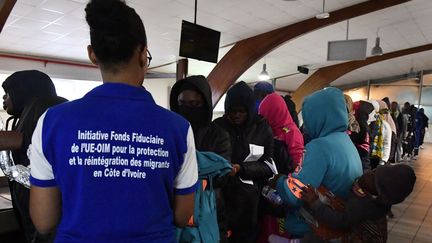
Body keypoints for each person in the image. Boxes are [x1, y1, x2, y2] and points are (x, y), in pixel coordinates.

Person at [28, 0, 198, 242]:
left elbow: (44, 222)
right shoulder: (179, 129)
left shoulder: (51, 122)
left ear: (92, 54)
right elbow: (183, 216)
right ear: (142, 53)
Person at [274, 87, 363, 238]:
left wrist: (279, 181)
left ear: (318, 117)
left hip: (314, 229)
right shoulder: (345, 140)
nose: (307, 126)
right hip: (339, 222)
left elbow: (294, 195)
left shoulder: (319, 146)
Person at [1, 70, 67, 243]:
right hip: (34, 206)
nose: (3, 99)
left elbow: (48, 143)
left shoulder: (47, 105)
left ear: (22, 91)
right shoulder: (24, 114)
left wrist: (12, 140)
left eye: (6, 94)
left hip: (49, 212)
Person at [169, 75, 231, 242]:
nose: (187, 109)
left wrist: (185, 162)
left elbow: (222, 172)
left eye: (194, 104)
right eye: (182, 104)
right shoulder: (173, 131)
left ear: (205, 103)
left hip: (210, 211)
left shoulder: (218, 134)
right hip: (174, 210)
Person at [214, 81, 274, 243]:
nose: (236, 115)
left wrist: (242, 169)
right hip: (221, 203)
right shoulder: (217, 127)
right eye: (232, 111)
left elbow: (269, 167)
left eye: (241, 111)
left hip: (250, 206)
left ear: (249, 110)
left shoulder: (262, 129)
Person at [301, 164, 416, 243]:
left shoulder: (366, 204)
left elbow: (340, 221)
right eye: (374, 171)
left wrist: (315, 203)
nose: (368, 174)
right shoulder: (372, 197)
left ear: (378, 193)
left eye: (373, 178)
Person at [258, 92, 304, 171]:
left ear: (274, 112)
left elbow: (298, 161)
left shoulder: (291, 131)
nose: (264, 119)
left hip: (284, 178)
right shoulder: (268, 129)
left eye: (266, 115)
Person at [350, 100, 374, 171]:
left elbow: (364, 150)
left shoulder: (362, 127)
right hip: (361, 164)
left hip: (361, 164)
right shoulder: (361, 125)